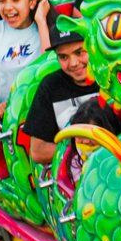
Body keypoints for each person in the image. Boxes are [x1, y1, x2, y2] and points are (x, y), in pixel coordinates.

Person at [21, 20, 101, 164]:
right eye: (63, 57)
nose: (73, 63)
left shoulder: (113, 79)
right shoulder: (50, 86)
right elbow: (38, 151)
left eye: (79, 52)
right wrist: (88, 149)